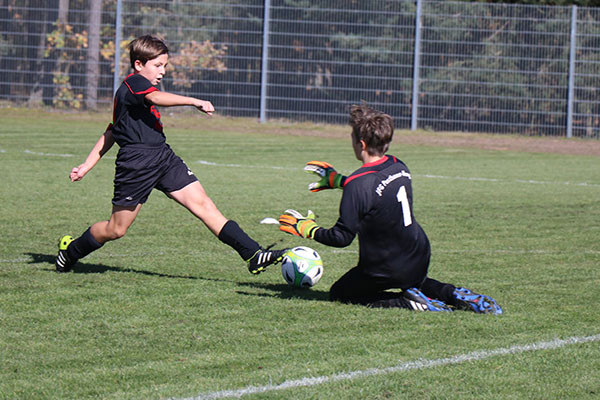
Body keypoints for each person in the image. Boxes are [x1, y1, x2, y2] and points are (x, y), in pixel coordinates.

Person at [56, 35, 286, 275]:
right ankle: (71, 250)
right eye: (157, 65)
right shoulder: (133, 84)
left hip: (163, 157)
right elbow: (121, 125)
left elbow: (113, 129)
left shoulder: (140, 92)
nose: (163, 71)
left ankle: (254, 254)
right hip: (136, 164)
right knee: (116, 229)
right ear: (138, 65)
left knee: (204, 205)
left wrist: (85, 165)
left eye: (165, 65)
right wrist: (194, 101)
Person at [278, 104, 502, 314]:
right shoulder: (398, 164)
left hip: (386, 267)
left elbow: (341, 237)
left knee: (341, 292)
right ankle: (452, 293)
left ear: (362, 144)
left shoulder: (358, 184)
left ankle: (407, 303)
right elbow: (377, 191)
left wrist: (307, 228)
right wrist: (339, 181)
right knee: (414, 281)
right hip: (418, 254)